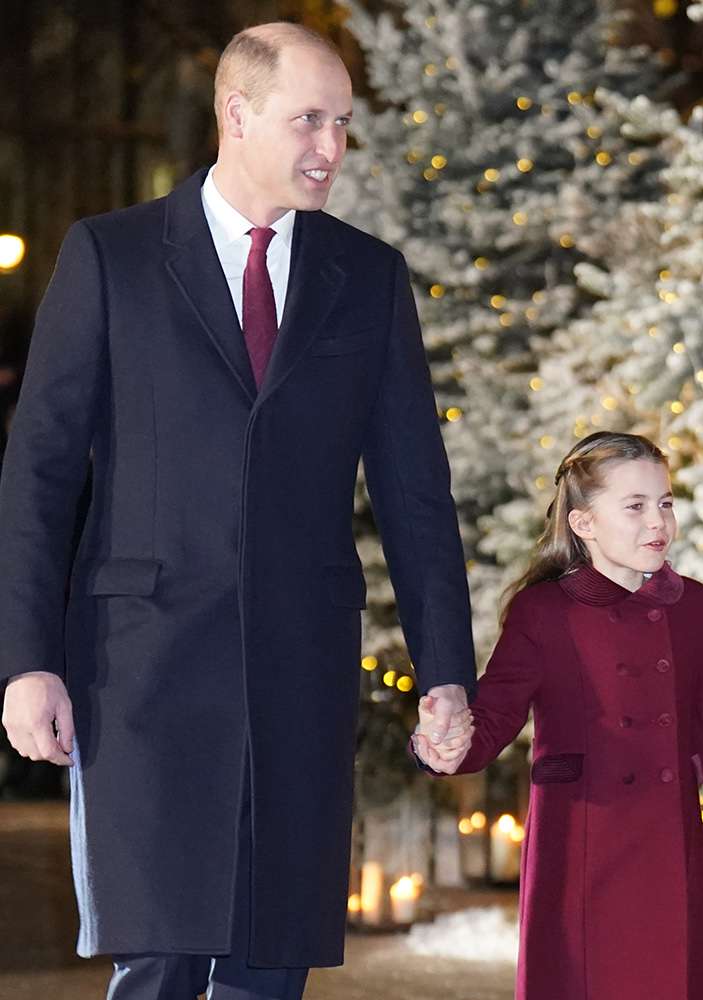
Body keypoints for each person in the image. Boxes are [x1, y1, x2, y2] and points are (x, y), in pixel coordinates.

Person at [0, 23, 475, 1000]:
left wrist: (446, 674)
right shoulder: (110, 257)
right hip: (139, 671)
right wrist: (27, 661)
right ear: (237, 112)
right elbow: (39, 474)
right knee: (160, 955)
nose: (331, 149)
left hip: (299, 673)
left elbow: (415, 491)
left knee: (271, 962)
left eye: (343, 125)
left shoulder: (367, 277)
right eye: (310, 120)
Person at [412, 431, 703, 1000]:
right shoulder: (543, 611)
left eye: (665, 503)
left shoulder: (694, 609)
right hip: (580, 856)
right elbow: (491, 721)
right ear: (584, 523)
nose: (657, 522)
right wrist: (440, 744)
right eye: (635, 506)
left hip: (667, 852)